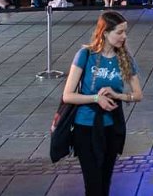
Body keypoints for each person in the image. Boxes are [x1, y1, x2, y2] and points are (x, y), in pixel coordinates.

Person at [61, 11, 143, 196]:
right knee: (93, 183)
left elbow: (138, 94)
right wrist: (96, 98)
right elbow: (68, 95)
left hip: (111, 126)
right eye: (119, 32)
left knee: (105, 181)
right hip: (86, 127)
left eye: (125, 32)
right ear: (105, 32)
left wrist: (118, 95)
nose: (124, 36)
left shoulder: (125, 58)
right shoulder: (85, 55)